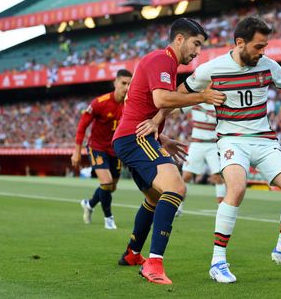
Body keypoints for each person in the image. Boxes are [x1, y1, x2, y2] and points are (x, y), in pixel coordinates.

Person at [149, 16, 281, 283]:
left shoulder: (268, 66)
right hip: (231, 139)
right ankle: (218, 262)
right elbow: (178, 93)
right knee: (236, 188)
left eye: (265, 46)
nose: (263, 52)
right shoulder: (211, 69)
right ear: (240, 43)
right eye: (258, 46)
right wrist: (156, 121)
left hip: (265, 140)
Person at [112, 18, 226, 284]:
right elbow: (161, 99)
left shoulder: (165, 64)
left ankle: (132, 253)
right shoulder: (162, 60)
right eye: (195, 44)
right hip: (133, 138)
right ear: (179, 39)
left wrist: (162, 137)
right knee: (176, 188)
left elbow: (143, 107)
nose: (197, 52)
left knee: (154, 198)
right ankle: (154, 264)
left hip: (134, 136)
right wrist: (203, 96)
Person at [71, 69, 132, 229]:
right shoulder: (100, 102)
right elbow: (82, 125)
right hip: (97, 147)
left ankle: (89, 204)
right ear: (115, 83)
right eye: (123, 83)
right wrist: (77, 150)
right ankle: (109, 219)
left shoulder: (131, 104)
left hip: (116, 150)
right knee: (106, 182)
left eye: (129, 84)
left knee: (111, 187)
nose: (126, 87)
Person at [176, 103, 226, 216]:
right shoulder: (195, 101)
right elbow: (178, 109)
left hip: (213, 145)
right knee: (186, 176)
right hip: (196, 144)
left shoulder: (218, 104)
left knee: (218, 177)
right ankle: (178, 207)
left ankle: (222, 210)